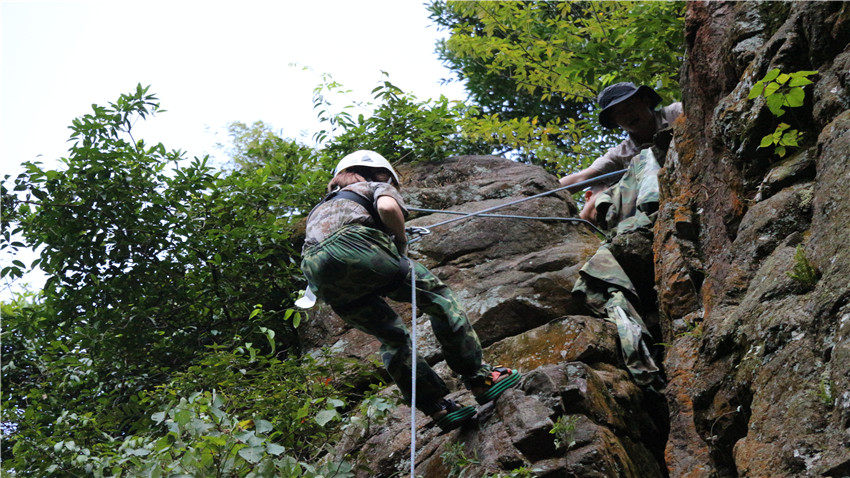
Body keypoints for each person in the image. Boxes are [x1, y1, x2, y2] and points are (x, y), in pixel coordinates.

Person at [300, 150, 520, 432]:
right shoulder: (375, 186)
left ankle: (437, 408)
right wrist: (400, 242)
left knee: (392, 338)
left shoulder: (319, 209)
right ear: (382, 172)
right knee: (440, 301)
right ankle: (480, 379)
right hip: (361, 251)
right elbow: (389, 210)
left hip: (319, 273)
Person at [559, 82, 683, 222]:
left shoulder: (677, 113)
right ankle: (584, 227)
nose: (628, 115)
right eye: (619, 113)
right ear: (615, 121)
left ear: (645, 101)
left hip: (685, 173)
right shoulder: (621, 153)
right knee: (601, 192)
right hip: (652, 203)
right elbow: (584, 177)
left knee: (646, 156)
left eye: (630, 106)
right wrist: (543, 190)